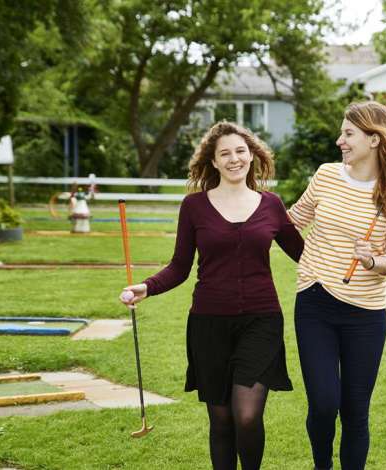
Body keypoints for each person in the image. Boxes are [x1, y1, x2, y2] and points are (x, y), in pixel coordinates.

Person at [120, 121, 304, 470]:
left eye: (240, 151)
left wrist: (353, 255)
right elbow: (179, 267)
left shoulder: (272, 205)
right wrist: (145, 287)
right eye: (225, 153)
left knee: (247, 415)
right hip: (208, 325)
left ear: (251, 155)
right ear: (214, 162)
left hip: (261, 321)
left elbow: (305, 256)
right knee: (221, 422)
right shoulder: (194, 207)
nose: (234, 159)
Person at [287, 101, 386, 470]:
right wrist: (244, 214)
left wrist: (372, 260)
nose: (340, 141)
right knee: (323, 403)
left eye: (348, 134)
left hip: (365, 313)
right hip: (315, 304)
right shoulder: (326, 176)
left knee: (354, 410)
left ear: (374, 139)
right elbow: (291, 221)